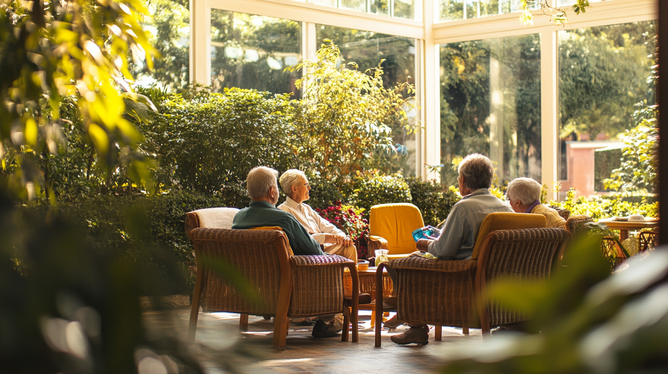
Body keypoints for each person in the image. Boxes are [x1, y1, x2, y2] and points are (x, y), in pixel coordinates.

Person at [388, 153, 513, 345]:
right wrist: (439, 235)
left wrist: (425, 243)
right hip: (495, 278)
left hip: (461, 277)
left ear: (462, 180)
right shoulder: (504, 207)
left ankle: (415, 323)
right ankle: (410, 318)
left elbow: (444, 250)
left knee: (398, 265)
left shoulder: (464, 207)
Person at [232, 166, 344, 338]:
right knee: (331, 263)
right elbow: (314, 251)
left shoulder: (238, 218)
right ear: (272, 191)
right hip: (290, 285)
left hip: (254, 286)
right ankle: (330, 318)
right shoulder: (283, 219)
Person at [278, 169, 357, 262]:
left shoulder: (307, 208)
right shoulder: (284, 210)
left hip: (321, 249)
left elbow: (328, 226)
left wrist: (341, 236)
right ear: (294, 188)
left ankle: (346, 277)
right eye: (306, 185)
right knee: (347, 249)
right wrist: (330, 238)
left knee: (350, 248)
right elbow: (300, 239)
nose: (309, 188)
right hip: (307, 254)